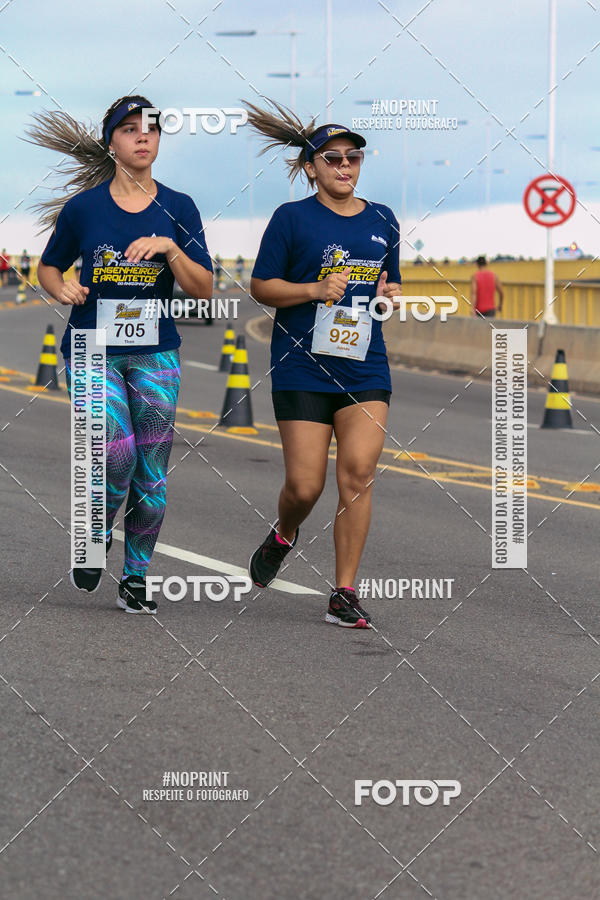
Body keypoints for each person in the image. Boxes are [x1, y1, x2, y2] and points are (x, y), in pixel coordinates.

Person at [32, 96, 213, 613]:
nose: (142, 137)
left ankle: (136, 577)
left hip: (155, 354)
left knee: (151, 473)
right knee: (116, 456)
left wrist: (170, 248)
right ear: (111, 141)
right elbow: (49, 266)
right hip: (93, 350)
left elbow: (203, 288)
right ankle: (94, 537)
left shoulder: (179, 208)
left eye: (151, 129)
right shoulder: (84, 208)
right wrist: (60, 287)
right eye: (130, 129)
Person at [245, 100, 401, 629]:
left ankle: (344, 590)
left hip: (364, 367)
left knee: (357, 474)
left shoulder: (383, 219)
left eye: (353, 157)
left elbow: (387, 281)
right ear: (311, 167)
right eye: (331, 158)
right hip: (301, 367)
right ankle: (285, 533)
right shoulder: (291, 218)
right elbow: (261, 286)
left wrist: (389, 294)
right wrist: (313, 289)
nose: (343, 166)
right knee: (306, 487)